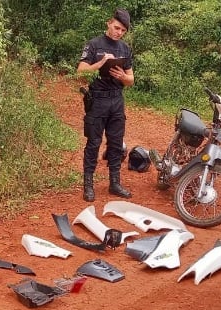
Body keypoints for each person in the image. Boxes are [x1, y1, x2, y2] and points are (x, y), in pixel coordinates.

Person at [77, 8, 134, 202]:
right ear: (109, 23)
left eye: (123, 31)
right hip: (97, 100)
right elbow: (81, 71)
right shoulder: (94, 45)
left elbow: (131, 80)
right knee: (93, 143)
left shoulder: (124, 49)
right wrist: (100, 63)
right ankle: (89, 185)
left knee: (116, 143)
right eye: (117, 28)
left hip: (117, 100)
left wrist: (123, 77)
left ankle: (115, 183)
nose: (119, 32)